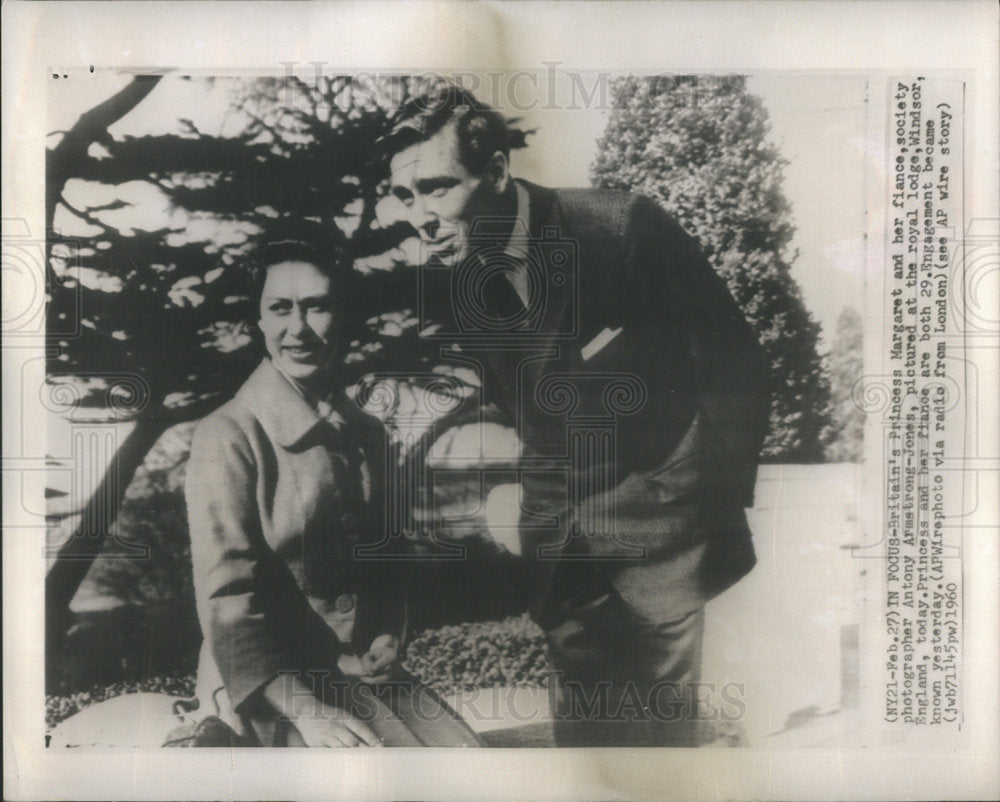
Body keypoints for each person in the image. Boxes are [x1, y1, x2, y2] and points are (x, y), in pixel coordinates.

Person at [379, 87, 771, 746]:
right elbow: (532, 419)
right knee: (584, 751)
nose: (421, 217)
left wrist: (706, 504)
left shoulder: (619, 231)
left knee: (662, 748)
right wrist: (531, 517)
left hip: (665, 539)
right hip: (563, 556)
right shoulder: (461, 288)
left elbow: (737, 364)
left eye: (437, 189)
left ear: (498, 171)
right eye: (405, 196)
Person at [185, 219, 480, 747]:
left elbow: (387, 556)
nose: (297, 329)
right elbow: (228, 604)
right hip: (270, 688)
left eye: (316, 306)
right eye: (280, 308)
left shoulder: (365, 432)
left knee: (467, 763)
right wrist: (310, 714)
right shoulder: (227, 435)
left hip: (355, 673)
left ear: (340, 313)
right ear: (258, 319)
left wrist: (389, 634)